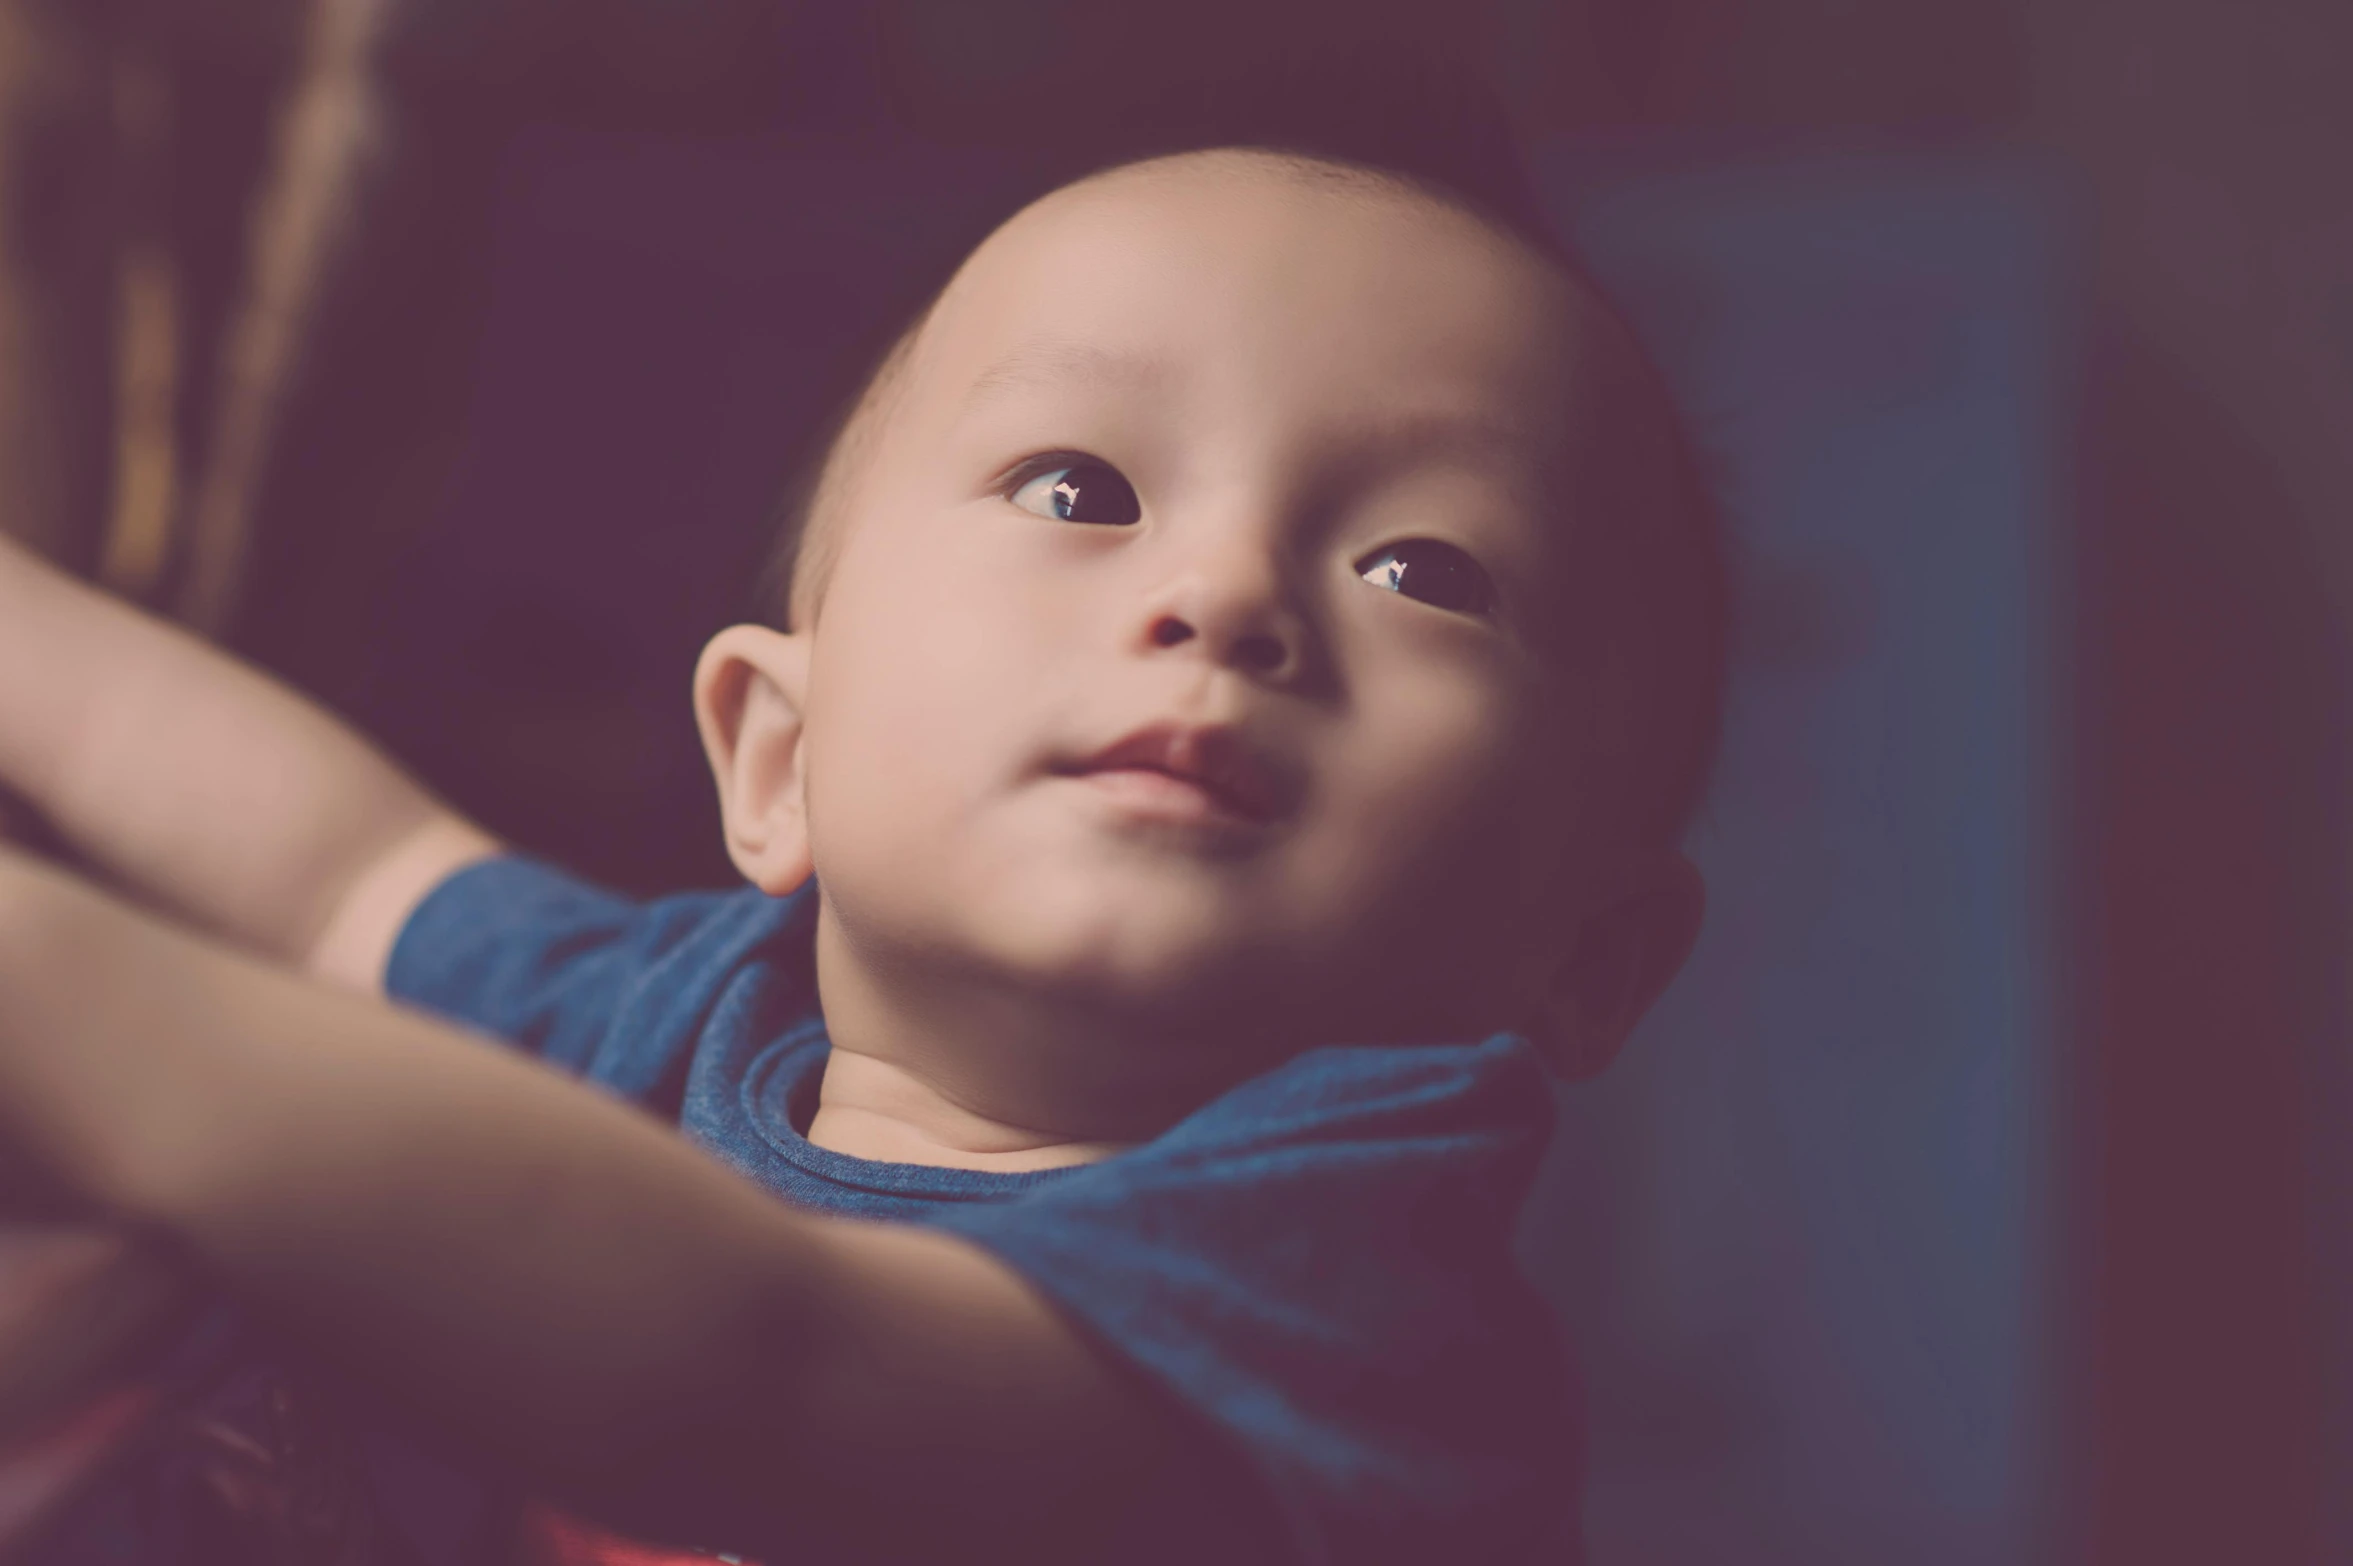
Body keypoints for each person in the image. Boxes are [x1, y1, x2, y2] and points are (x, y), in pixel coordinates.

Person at [0, 138, 1725, 1565]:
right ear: (777, 756)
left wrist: (52, 976)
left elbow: (764, 1368)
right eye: (1078, 492)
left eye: (1426, 571)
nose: (1225, 597)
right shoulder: (686, 1019)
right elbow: (336, 871)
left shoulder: (1361, 1285)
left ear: (1588, 952)